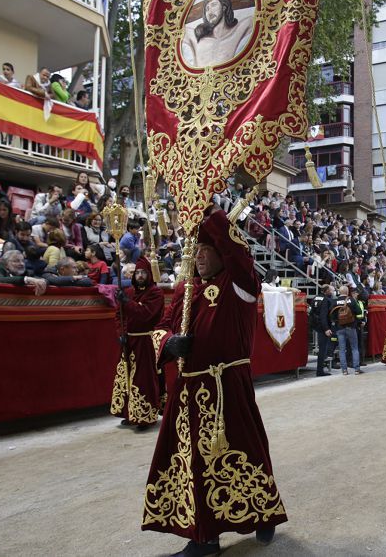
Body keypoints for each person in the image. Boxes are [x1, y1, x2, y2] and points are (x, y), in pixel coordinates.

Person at [142, 209, 286, 555]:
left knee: (245, 452)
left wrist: (203, 208)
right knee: (191, 463)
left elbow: (237, 252)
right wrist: (167, 344)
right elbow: (160, 327)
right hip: (188, 391)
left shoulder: (239, 284)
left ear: (222, 252)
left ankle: (262, 514)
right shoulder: (183, 291)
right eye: (196, 251)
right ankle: (204, 537)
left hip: (227, 389)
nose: (201, 257)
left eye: (208, 250)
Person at [110, 256, 166, 428]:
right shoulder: (128, 292)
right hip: (129, 340)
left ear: (149, 274)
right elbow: (120, 315)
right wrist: (121, 332)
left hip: (145, 341)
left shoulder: (155, 293)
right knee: (126, 377)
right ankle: (130, 413)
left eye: (143, 272)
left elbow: (145, 314)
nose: (140, 276)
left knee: (143, 379)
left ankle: (145, 416)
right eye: (137, 273)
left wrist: (127, 302)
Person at [181, 0, 254, 69]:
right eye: (207, 9)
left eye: (214, 5)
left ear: (224, 7)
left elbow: (257, 17)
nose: (210, 12)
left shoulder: (237, 32)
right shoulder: (196, 39)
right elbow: (178, 30)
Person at [325, 284, 364, 375]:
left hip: (339, 328)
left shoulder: (335, 301)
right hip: (351, 327)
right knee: (354, 348)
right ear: (347, 292)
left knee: (342, 349)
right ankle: (357, 369)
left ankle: (344, 370)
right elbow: (359, 311)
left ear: (339, 292)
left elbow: (331, 314)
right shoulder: (351, 300)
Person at [310, 284, 334, 376]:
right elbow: (323, 316)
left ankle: (321, 369)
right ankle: (320, 371)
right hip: (322, 327)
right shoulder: (325, 300)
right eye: (331, 290)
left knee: (322, 348)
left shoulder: (315, 297)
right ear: (327, 291)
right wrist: (326, 329)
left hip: (316, 325)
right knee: (322, 349)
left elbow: (312, 312)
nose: (332, 292)